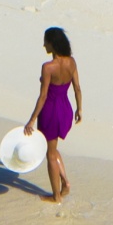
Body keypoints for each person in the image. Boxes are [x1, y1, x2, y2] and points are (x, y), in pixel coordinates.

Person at [24, 27, 81, 203]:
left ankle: (56, 196)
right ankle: (65, 182)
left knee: (50, 153)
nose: (44, 45)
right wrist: (79, 109)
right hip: (65, 109)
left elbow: (43, 96)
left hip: (50, 111)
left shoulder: (48, 67)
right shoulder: (71, 62)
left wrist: (31, 120)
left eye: (46, 42)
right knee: (53, 149)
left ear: (53, 44)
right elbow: (77, 88)